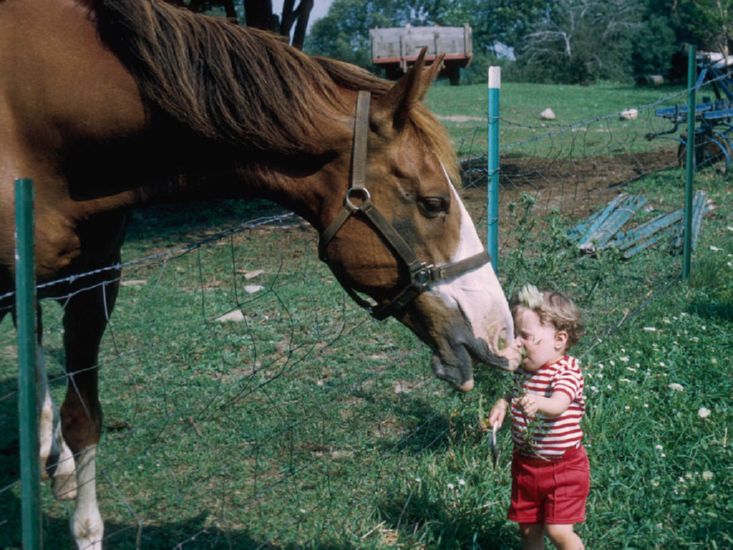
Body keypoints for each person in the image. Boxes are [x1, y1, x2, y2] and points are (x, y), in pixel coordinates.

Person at [488, 284, 588, 550]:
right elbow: (512, 394)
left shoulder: (567, 371)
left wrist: (539, 402)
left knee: (558, 531)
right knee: (529, 531)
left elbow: (559, 404)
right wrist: (501, 405)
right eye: (514, 336)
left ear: (559, 339)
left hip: (563, 468)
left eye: (525, 336)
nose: (516, 344)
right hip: (526, 467)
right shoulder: (524, 371)